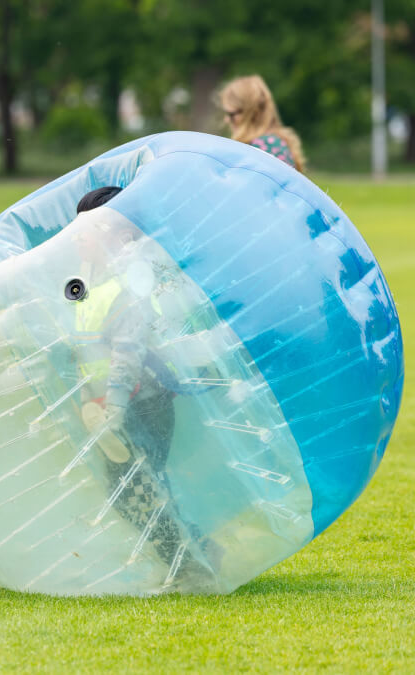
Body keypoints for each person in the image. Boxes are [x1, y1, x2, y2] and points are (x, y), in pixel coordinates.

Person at [70, 186, 208, 587]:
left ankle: (190, 562)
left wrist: (112, 406)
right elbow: (84, 347)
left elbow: (127, 352)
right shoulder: (87, 282)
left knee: (136, 488)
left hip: (143, 403)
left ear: (116, 233)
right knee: (138, 487)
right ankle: (192, 556)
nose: (76, 236)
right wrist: (87, 400)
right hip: (113, 403)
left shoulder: (126, 284)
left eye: (86, 228)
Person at [218, 75, 306, 172]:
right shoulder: (274, 143)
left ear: (252, 113)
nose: (227, 120)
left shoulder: (262, 148)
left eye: (231, 114)